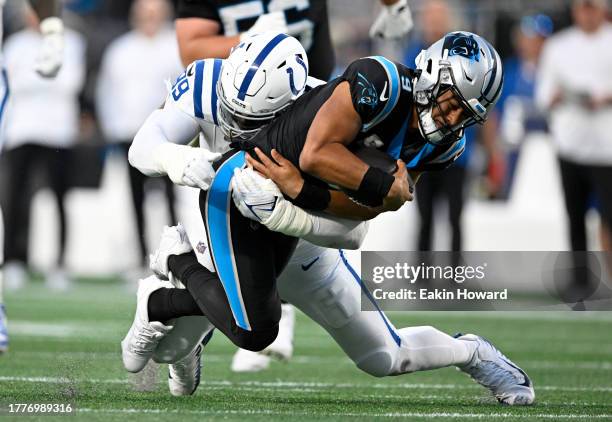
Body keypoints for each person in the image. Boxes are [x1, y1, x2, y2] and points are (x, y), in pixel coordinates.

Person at [122, 31, 533, 406]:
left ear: (295, 102)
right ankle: (184, 306)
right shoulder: (206, 83)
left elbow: (355, 227)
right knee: (168, 353)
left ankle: (473, 351)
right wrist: (186, 161)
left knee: (383, 356)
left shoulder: (329, 104)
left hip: (306, 246)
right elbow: (143, 148)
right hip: (232, 225)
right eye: (233, 116)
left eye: (258, 124)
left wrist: (293, 205)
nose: (241, 131)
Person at [173, 0, 414, 372]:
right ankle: (183, 293)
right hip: (238, 103)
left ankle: (260, 307)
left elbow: (354, 233)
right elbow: (190, 48)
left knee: (379, 351)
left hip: (313, 97)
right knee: (240, 228)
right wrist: (250, 40)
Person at [96, 0, 183, 274]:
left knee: (171, 198)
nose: (150, 19)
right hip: (130, 134)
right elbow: (106, 91)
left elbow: (183, 91)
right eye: (145, 14)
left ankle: (177, 256)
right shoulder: (120, 49)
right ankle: (140, 258)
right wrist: (114, 126)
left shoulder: (174, 46)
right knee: (136, 199)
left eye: (155, 14)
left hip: (167, 136)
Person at [0, 0, 66, 354]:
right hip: (19, 120)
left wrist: (52, 36)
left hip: (51, 129)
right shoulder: (14, 45)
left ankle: (54, 265)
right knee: (11, 198)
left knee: (48, 199)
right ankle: (11, 265)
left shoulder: (50, 37)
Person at [536, 0, 612, 293]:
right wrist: (556, 96)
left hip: (606, 148)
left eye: (591, 7)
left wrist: (604, 97)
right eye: (582, 7)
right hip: (570, 144)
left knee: (609, 218)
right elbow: (543, 94)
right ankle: (581, 282)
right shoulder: (558, 46)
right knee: (575, 216)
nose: (586, 12)